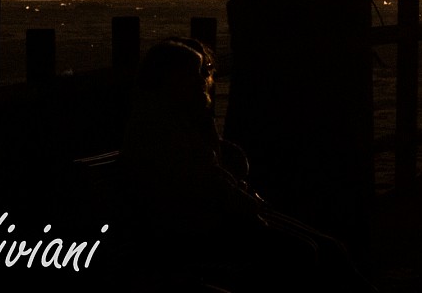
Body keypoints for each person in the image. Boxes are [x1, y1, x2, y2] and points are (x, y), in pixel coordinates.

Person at [117, 37, 365, 289]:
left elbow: (211, 173)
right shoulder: (160, 127)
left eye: (203, 72)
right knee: (306, 250)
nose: (204, 79)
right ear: (172, 79)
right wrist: (246, 203)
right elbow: (202, 183)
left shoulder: (179, 119)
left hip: (209, 219)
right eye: (196, 73)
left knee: (326, 247)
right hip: (194, 229)